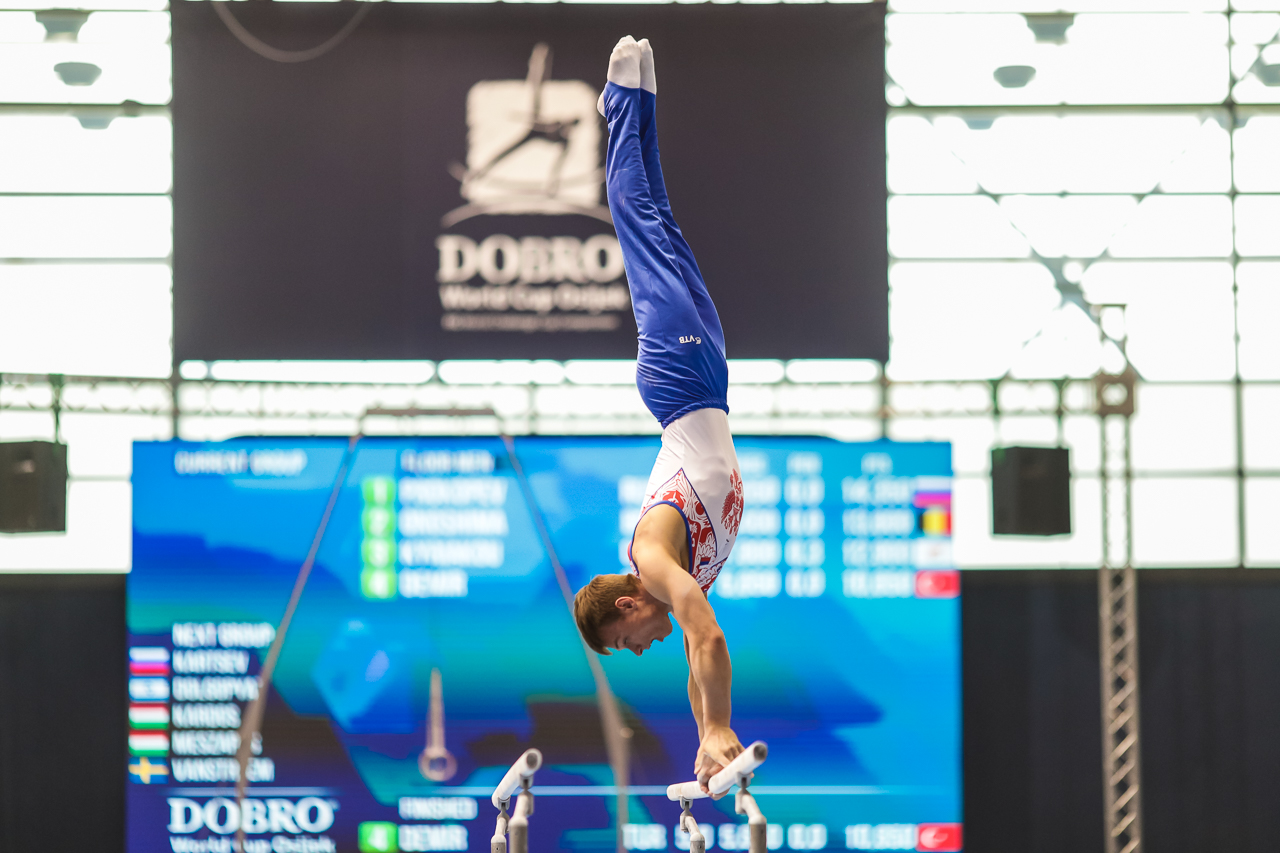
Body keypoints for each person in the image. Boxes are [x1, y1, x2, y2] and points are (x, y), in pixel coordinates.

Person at [573, 36, 747, 798]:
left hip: (680, 380)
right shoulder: (669, 579)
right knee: (662, 222)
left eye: (627, 639)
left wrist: (720, 725)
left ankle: (620, 107)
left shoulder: (651, 557)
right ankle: (641, 101)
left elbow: (708, 634)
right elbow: (693, 661)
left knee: (637, 221)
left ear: (629, 602)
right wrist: (706, 740)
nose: (640, 647)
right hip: (707, 376)